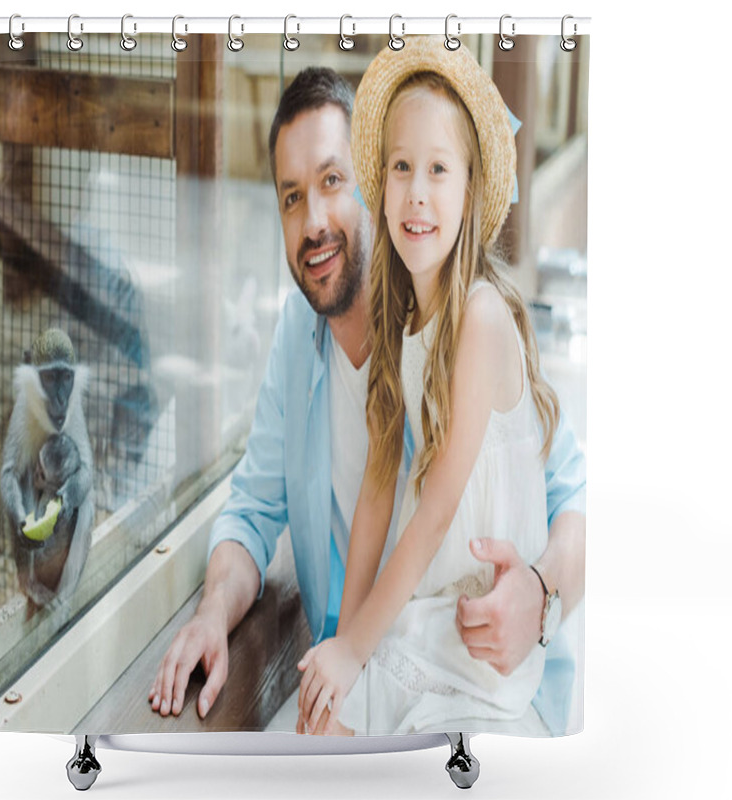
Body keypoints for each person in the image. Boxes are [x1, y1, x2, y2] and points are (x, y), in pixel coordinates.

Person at [148, 57, 586, 735]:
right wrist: (214, 613)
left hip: (481, 658)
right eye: (292, 196)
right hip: (378, 645)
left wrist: (542, 590)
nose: (315, 218)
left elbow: (571, 497)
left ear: (365, 186)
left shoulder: (474, 320)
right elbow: (254, 506)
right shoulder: (304, 338)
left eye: (331, 180)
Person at [296, 37, 579, 737]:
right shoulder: (403, 320)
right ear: (381, 185)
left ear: (470, 190)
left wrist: (358, 649)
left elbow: (438, 509)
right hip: (430, 610)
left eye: (438, 169)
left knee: (346, 732)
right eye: (400, 167)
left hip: (478, 628)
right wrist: (344, 649)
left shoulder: (481, 317)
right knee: (321, 722)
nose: (416, 192)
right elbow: (376, 490)